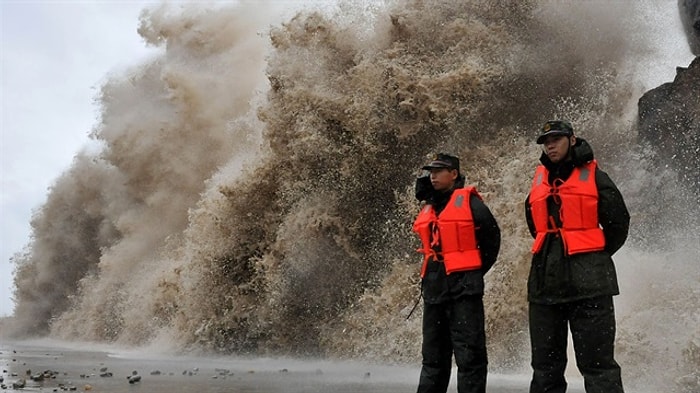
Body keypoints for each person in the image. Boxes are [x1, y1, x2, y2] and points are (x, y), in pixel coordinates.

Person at [524, 121, 630, 393]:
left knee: (598, 367)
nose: (550, 145)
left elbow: (618, 223)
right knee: (545, 368)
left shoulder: (595, 176)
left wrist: (593, 258)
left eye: (556, 139)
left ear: (572, 140)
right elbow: (535, 226)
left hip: (590, 287)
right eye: (546, 141)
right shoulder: (538, 181)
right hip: (545, 287)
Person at [413, 153, 501, 393]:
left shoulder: (471, 204)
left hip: (464, 289)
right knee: (433, 357)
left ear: (454, 174)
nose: (433, 176)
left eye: (439, 171)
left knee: (469, 356)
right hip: (434, 290)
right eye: (431, 171)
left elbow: (492, 240)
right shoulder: (429, 206)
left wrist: (472, 271)